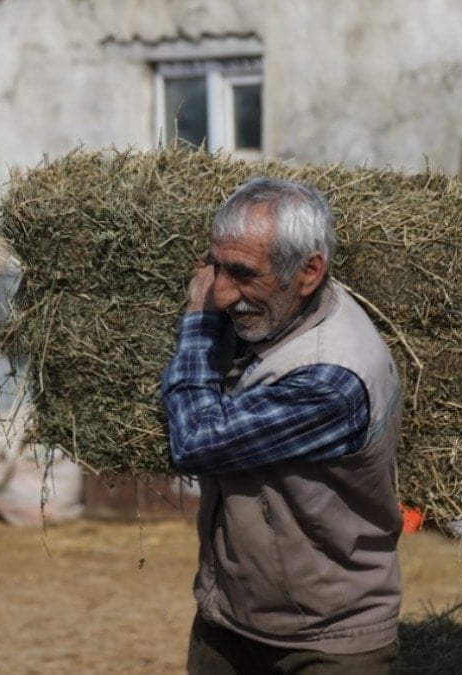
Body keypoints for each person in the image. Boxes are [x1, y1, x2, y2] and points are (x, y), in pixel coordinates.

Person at [161, 178, 405, 674]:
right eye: (215, 267)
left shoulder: (334, 378)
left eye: (244, 274)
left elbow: (195, 441)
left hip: (323, 643)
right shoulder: (274, 315)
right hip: (227, 623)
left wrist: (197, 323)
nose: (222, 294)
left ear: (309, 271)